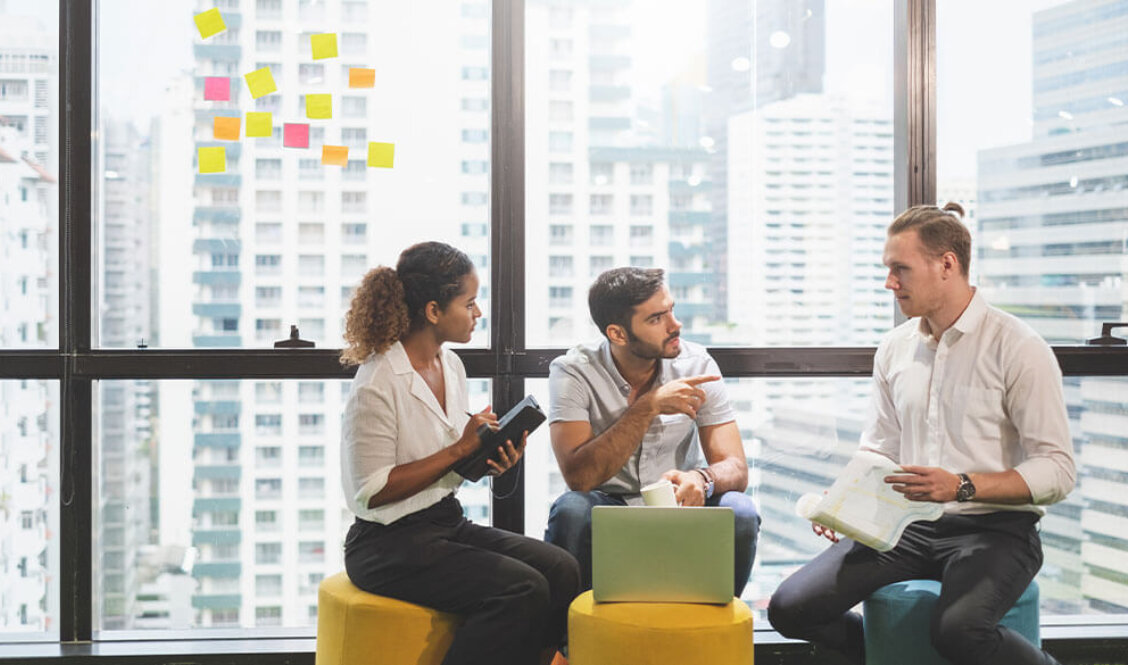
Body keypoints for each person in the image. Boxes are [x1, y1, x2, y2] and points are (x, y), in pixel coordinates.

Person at [767, 203, 1076, 665]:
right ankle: (884, 654)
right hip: (904, 528)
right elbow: (880, 448)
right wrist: (847, 501)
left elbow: (1058, 471)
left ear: (946, 264)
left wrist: (962, 485)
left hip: (996, 530)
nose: (889, 283)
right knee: (789, 609)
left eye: (900, 269)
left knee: (958, 632)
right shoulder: (895, 347)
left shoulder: (1019, 347)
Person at [340, 241, 580, 665]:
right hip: (386, 545)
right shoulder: (377, 381)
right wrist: (462, 448)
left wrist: (486, 459)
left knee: (560, 568)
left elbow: (446, 463)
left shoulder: (451, 365)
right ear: (433, 311)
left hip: (444, 523)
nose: (478, 313)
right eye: (469, 303)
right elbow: (370, 493)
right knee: (522, 587)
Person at [544, 266, 761, 595]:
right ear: (618, 334)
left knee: (741, 511)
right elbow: (580, 478)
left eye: (671, 310)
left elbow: (736, 468)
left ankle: (716, 621)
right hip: (608, 508)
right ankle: (561, 639)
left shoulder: (697, 364)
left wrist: (702, 479)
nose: (676, 325)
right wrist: (648, 407)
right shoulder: (573, 372)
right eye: (656, 319)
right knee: (571, 509)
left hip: (681, 506)